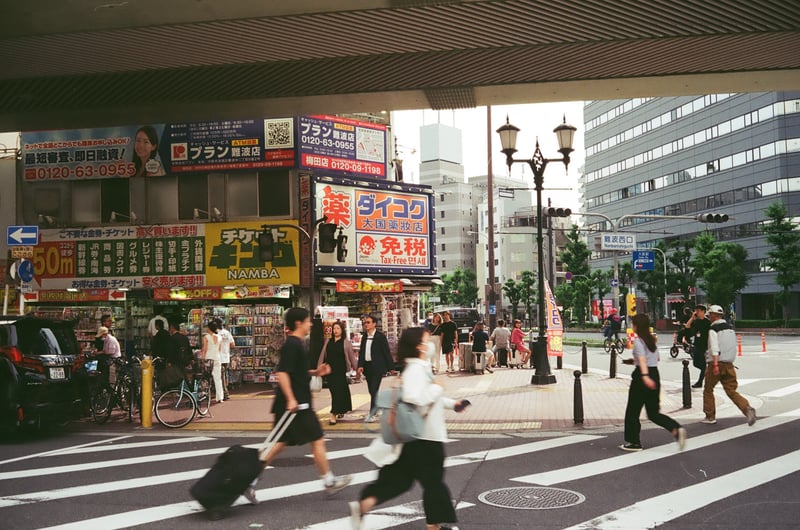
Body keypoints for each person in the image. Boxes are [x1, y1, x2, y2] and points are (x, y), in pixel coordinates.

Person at [349, 327, 470, 530]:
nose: (430, 342)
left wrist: (452, 404)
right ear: (419, 346)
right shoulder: (416, 369)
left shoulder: (419, 367)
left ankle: (364, 504)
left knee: (401, 479)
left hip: (418, 437)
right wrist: (437, 388)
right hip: (426, 437)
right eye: (426, 339)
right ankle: (434, 526)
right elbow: (415, 396)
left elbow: (425, 398)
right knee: (433, 483)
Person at [247, 307, 351, 505]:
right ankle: (329, 482)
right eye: (307, 321)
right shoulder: (292, 345)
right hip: (297, 406)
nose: (311, 324)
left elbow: (296, 372)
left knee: (278, 445)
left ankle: (249, 481)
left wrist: (315, 372)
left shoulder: (297, 344)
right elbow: (283, 373)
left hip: (295, 405)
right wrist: (291, 399)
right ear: (298, 323)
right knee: (317, 439)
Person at [621, 313, 687, 452]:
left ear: (637, 326)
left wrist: (644, 376)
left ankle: (633, 442)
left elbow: (643, 360)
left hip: (642, 377)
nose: (632, 326)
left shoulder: (639, 341)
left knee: (632, 410)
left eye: (633, 324)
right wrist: (634, 362)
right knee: (653, 413)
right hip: (654, 374)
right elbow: (655, 359)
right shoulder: (652, 340)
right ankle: (676, 428)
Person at [702, 304, 756, 426]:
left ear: (714, 316)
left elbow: (715, 348)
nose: (709, 317)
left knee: (708, 389)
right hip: (729, 364)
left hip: (716, 363)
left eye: (710, 315)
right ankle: (746, 408)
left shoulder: (713, 329)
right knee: (731, 391)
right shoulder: (730, 329)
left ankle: (710, 416)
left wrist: (715, 364)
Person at [357, 314, 394, 422]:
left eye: (368, 322)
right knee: (371, 390)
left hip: (377, 367)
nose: (366, 325)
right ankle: (378, 406)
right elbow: (362, 352)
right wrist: (360, 365)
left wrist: (391, 367)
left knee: (374, 389)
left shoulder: (380, 336)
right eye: (365, 322)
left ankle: (372, 413)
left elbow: (386, 352)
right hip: (367, 367)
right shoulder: (364, 336)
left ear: (374, 324)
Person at [318, 320, 354, 425]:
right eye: (334, 329)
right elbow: (322, 354)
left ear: (342, 330)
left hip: (340, 370)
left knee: (338, 392)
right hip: (330, 371)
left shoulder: (346, 342)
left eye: (338, 328)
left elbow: (351, 357)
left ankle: (333, 414)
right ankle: (340, 409)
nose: (335, 330)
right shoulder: (328, 341)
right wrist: (319, 368)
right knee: (335, 392)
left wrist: (358, 369)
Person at [685, 304, 711, 388]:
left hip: (704, 346)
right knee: (695, 363)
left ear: (703, 311)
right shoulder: (696, 321)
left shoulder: (708, 322)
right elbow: (687, 326)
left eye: (698, 311)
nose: (697, 312)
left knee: (703, 364)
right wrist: (692, 318)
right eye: (696, 311)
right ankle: (706, 371)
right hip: (696, 344)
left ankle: (700, 382)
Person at [201, 320, 224, 404]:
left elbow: (204, 349)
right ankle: (220, 397)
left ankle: (206, 395)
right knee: (218, 378)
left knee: (207, 378)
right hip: (217, 358)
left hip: (209, 358)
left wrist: (202, 360)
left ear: (209, 328)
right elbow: (219, 349)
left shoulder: (206, 337)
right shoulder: (219, 337)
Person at [215, 318, 234, 401]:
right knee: (223, 375)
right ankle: (222, 392)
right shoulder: (227, 332)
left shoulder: (216, 333)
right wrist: (225, 347)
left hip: (218, 357)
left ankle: (224, 393)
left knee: (220, 376)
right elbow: (233, 344)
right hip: (226, 357)